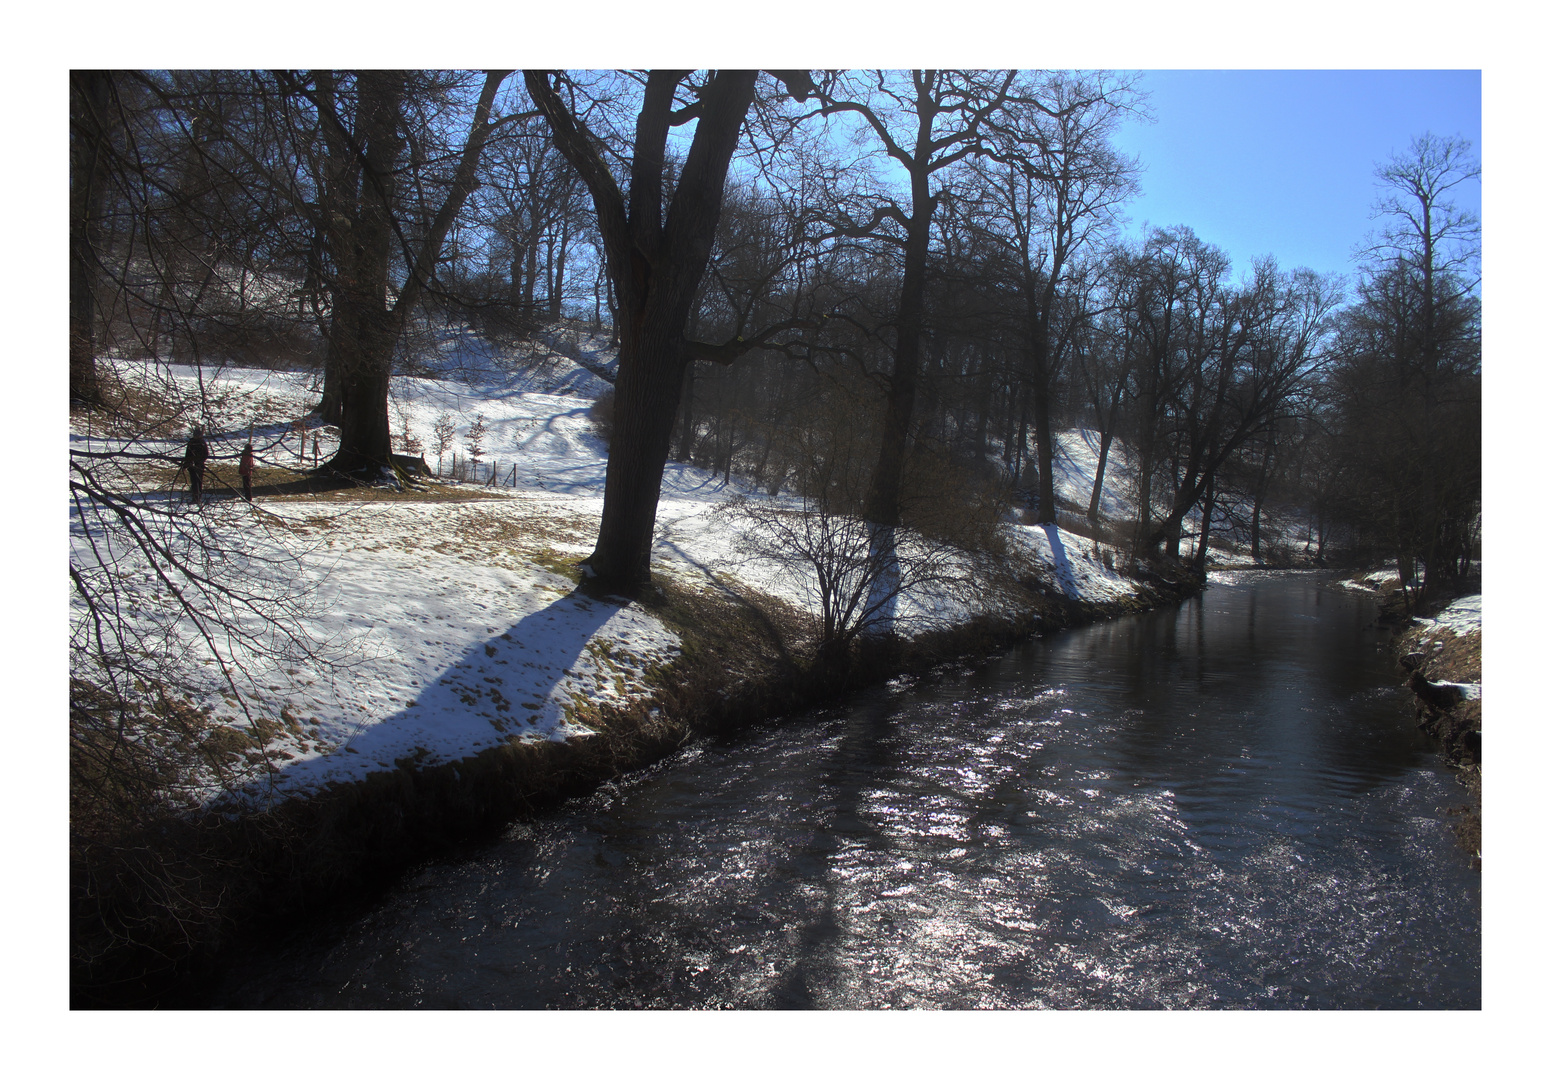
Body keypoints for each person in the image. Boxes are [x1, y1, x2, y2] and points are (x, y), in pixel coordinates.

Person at [182, 425, 209, 505]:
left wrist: (199, 461)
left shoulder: (201, 443)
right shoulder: (192, 442)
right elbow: (188, 454)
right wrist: (186, 464)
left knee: (198, 482)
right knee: (195, 482)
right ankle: (196, 497)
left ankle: (197, 498)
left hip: (199, 465)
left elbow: (205, 454)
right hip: (193, 465)